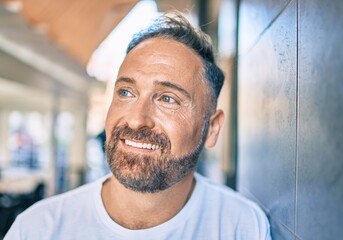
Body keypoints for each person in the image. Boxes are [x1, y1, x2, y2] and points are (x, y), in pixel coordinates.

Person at [5, 13, 271, 239]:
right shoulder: (38, 229)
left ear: (212, 128)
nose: (136, 119)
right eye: (126, 93)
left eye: (168, 98)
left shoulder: (242, 227)